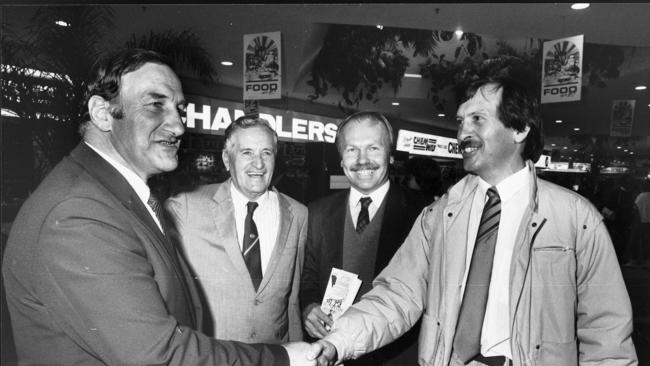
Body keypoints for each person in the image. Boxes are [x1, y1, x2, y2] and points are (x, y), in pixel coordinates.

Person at [2, 48, 317, 366]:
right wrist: (283, 358)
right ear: (102, 112)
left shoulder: (112, 196)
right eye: (156, 105)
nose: (179, 126)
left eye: (180, 110)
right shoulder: (79, 213)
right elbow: (159, 355)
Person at [312, 77, 637, 366]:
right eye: (461, 121)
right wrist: (337, 341)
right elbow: (397, 295)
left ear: (520, 128)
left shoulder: (575, 218)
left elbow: (606, 331)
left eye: (478, 119)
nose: (463, 132)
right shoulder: (438, 217)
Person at [165, 116, 307, 344]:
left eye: (266, 153)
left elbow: (292, 301)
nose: (258, 164)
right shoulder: (186, 207)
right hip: (212, 356)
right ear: (226, 159)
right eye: (247, 153)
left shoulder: (299, 214)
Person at [300, 111, 425, 366]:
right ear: (341, 160)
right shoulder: (317, 213)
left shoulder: (422, 213)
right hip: (331, 352)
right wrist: (308, 307)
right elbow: (307, 277)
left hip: (398, 357)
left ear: (390, 155)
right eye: (352, 150)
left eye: (373, 148)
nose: (362, 160)